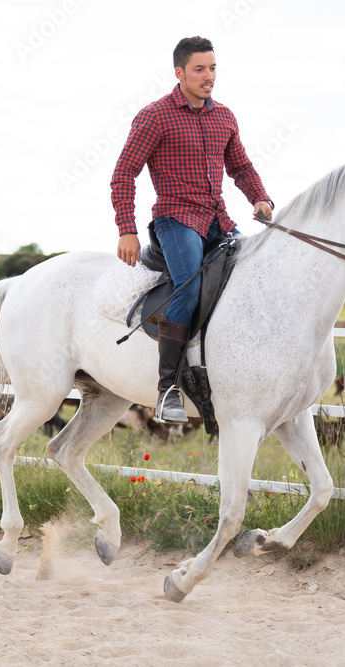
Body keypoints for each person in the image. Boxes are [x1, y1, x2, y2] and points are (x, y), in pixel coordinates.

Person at [111, 36, 273, 424]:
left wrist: (260, 198)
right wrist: (126, 229)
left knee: (257, 272)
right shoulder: (155, 116)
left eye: (213, 67)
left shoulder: (224, 116)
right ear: (180, 72)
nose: (209, 76)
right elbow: (123, 174)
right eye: (199, 69)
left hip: (218, 220)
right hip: (175, 219)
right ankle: (167, 387)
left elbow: (241, 167)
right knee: (189, 286)